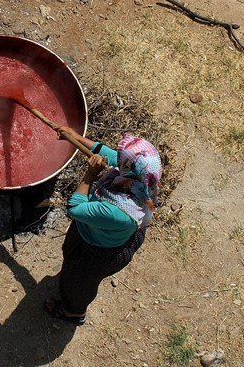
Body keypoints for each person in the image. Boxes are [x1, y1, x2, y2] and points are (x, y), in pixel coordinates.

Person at [44, 126, 163, 325]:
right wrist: (75, 137)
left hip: (99, 252)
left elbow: (75, 208)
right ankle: (70, 277)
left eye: (122, 160)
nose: (118, 160)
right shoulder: (141, 178)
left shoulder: (119, 211)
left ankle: (73, 313)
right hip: (101, 233)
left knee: (80, 285)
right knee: (71, 266)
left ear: (128, 169)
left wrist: (90, 175)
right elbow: (105, 152)